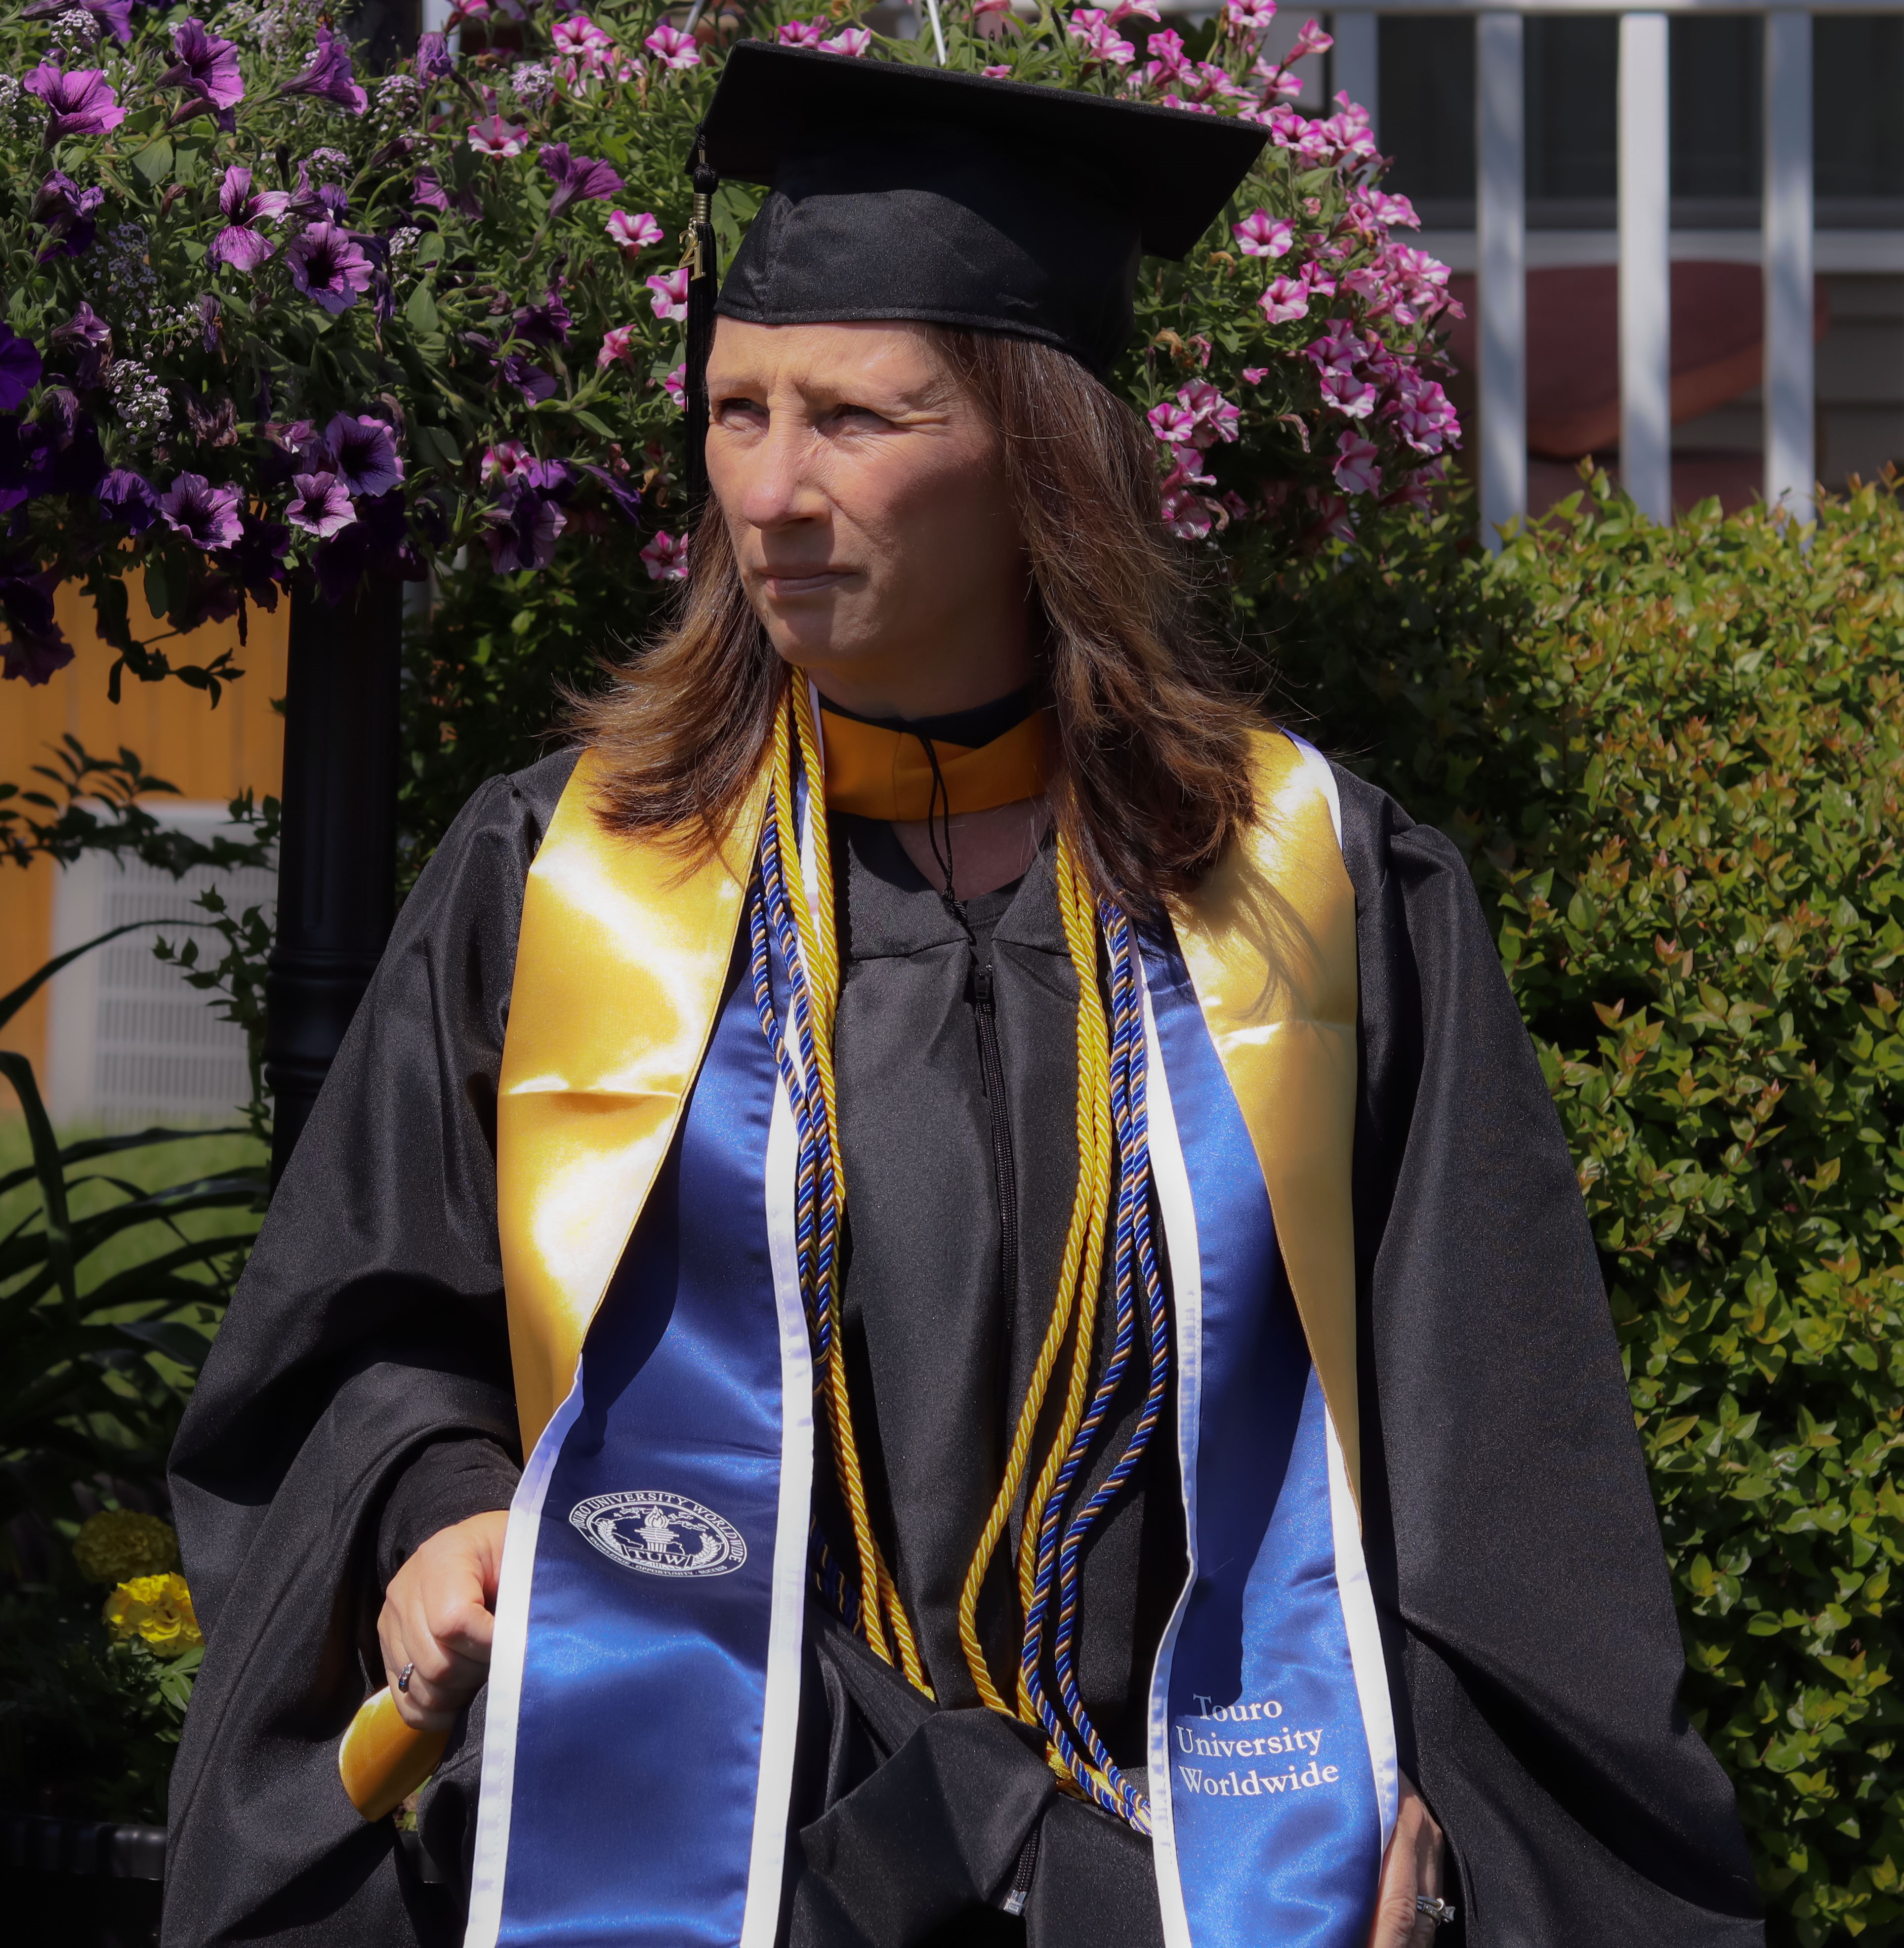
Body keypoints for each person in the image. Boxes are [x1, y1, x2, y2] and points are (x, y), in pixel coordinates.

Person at [163, 43, 1762, 1948]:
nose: (772, 490)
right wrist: (430, 1502)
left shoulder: (1319, 891)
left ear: (1041, 458)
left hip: (1201, 1869)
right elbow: (364, 1334)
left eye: (856, 418)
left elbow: (1497, 1465)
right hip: (717, 1848)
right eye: (736, 412)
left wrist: (1467, 1848)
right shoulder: (563, 880)